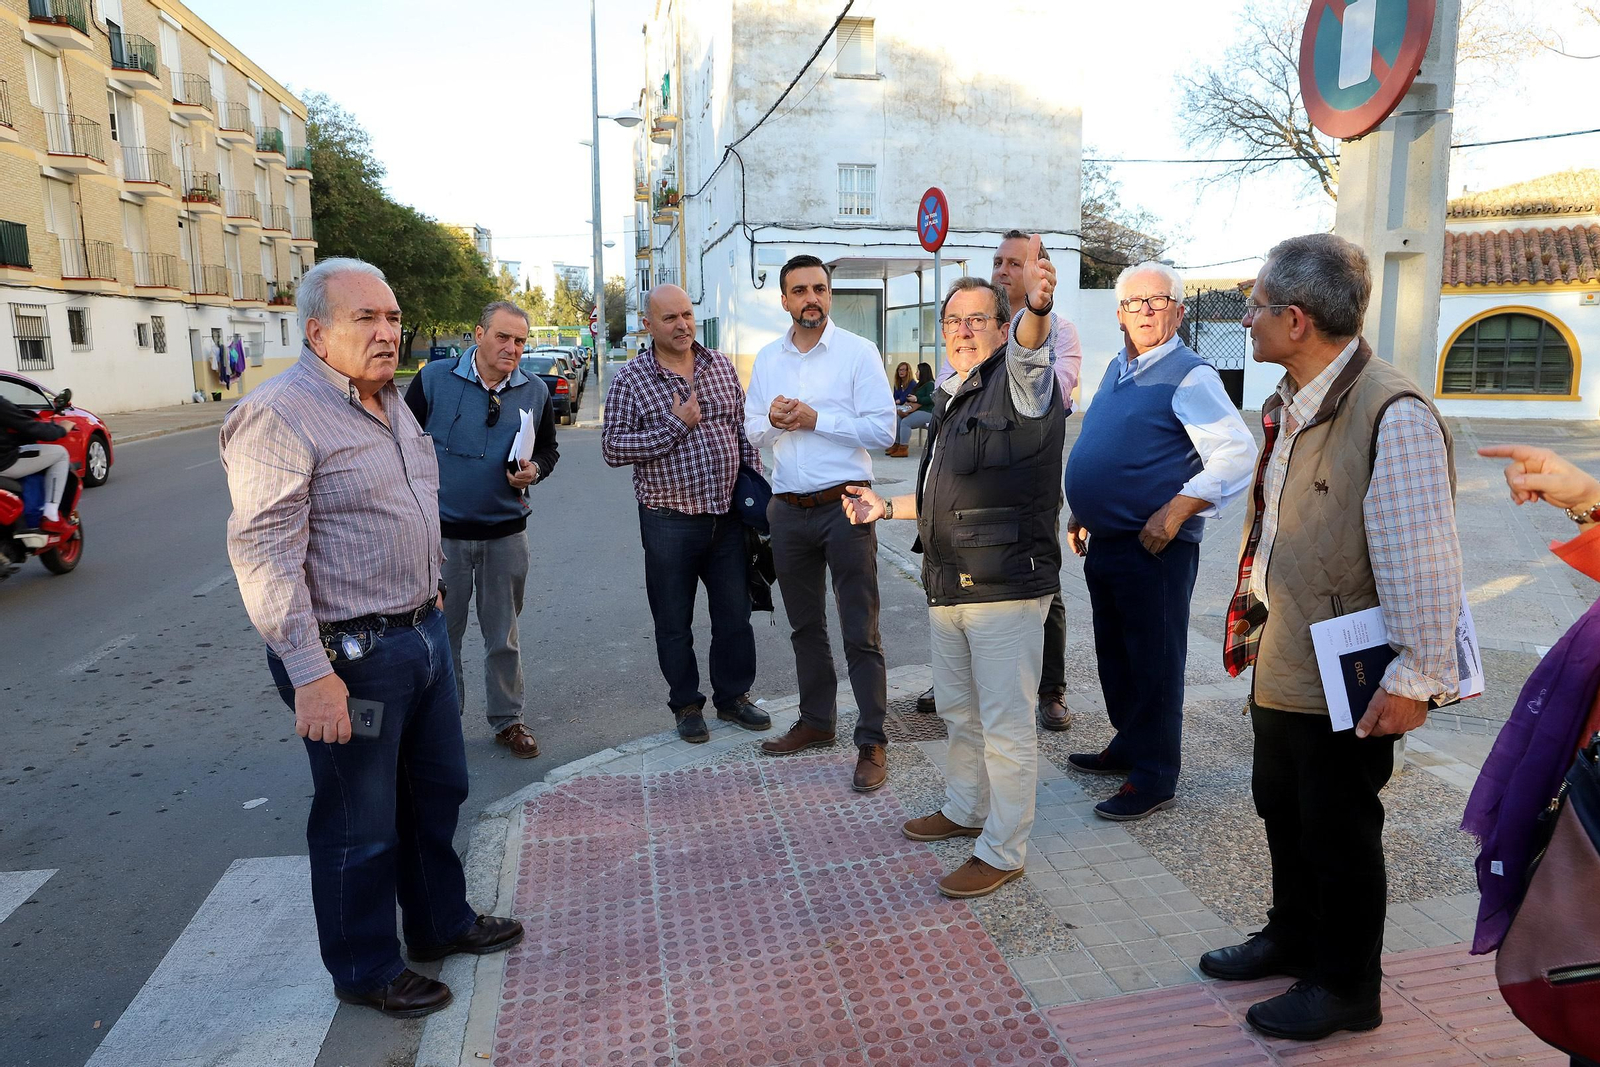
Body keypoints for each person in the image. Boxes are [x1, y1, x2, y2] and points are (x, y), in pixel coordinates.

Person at [221, 257, 521, 1020]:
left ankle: (438, 921)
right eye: (367, 319)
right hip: (347, 657)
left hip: (420, 631)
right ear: (317, 332)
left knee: (436, 792)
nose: (387, 332)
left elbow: (409, 499)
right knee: (361, 820)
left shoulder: (390, 399)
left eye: (392, 317)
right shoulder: (279, 415)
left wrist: (432, 584)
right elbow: (265, 555)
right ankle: (364, 966)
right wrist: (309, 673)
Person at [1206, 234, 1461, 1042]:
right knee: (1281, 804)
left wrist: (1416, 677)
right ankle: (1294, 934)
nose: (1245, 319)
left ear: (1296, 319)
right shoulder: (1292, 397)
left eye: (1254, 305)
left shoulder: (1392, 411)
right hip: (1286, 650)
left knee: (1340, 827)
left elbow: (1423, 557)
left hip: (1348, 672)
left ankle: (1349, 985)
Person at [842, 250, 1063, 898]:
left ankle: (1003, 847)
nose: (963, 331)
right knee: (961, 712)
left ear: (1002, 326)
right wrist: (886, 507)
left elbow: (1032, 350)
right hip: (949, 582)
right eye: (953, 322)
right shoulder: (951, 393)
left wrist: (1038, 307)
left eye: (978, 320)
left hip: (1005, 587)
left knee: (1006, 726)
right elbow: (945, 495)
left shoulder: (1019, 382)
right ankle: (967, 809)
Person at [1062, 260, 1255, 819]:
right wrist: (1083, 507)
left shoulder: (1190, 375)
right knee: (1116, 656)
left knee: (1155, 663)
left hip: (1155, 547)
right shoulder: (1118, 367)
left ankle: (1154, 775)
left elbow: (1236, 452)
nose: (1145, 311)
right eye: (1134, 302)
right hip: (1107, 541)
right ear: (1119, 314)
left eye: (1158, 300)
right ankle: (1130, 743)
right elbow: (1108, 443)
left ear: (1179, 310)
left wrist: (1177, 510)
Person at [917, 231, 1085, 731]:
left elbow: (1045, 384)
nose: (1004, 270)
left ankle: (1050, 688)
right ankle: (965, 673)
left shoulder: (1052, 329)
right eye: (998, 262)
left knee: (1041, 590)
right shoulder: (969, 334)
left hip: (1024, 479)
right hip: (967, 501)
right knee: (964, 707)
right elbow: (954, 390)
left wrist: (1035, 311)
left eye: (1015, 262)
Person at [744, 254, 897, 792]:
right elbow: (751, 429)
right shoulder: (768, 358)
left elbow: (883, 430)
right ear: (784, 299)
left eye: (820, 289)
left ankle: (872, 740)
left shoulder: (858, 352)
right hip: (787, 509)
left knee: (860, 629)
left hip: (846, 505)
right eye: (800, 290)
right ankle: (816, 721)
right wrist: (772, 422)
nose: (811, 298)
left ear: (829, 295)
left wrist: (816, 419)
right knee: (805, 626)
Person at [601, 284, 771, 742]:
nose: (682, 325)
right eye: (670, 318)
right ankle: (687, 705)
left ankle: (733, 698)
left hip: (727, 518)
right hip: (668, 522)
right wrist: (675, 426)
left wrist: (752, 489)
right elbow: (613, 448)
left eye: (687, 315)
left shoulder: (720, 366)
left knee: (734, 617)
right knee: (674, 622)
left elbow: (742, 431)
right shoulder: (631, 380)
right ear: (648, 325)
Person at [404, 301, 557, 760]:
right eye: (503, 337)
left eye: (520, 341)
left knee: (503, 637)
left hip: (505, 535)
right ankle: (443, 725)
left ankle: (508, 721)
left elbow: (548, 450)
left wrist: (534, 470)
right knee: (440, 637)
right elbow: (399, 445)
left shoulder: (535, 390)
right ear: (478, 334)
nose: (512, 348)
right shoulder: (433, 380)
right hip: (442, 539)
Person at [0, 395, 72, 534]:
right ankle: (51, 516)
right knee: (61, 453)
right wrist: (62, 429)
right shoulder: (1, 405)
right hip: (5, 463)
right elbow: (32, 428)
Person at [885, 362, 936, 459]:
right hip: (916, 410)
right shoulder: (919, 385)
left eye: (918, 371)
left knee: (906, 422)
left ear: (923, 372)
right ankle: (896, 444)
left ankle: (903, 448)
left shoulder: (930, 384)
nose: (916, 373)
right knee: (898, 418)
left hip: (927, 412)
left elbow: (931, 399)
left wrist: (917, 399)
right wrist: (908, 402)